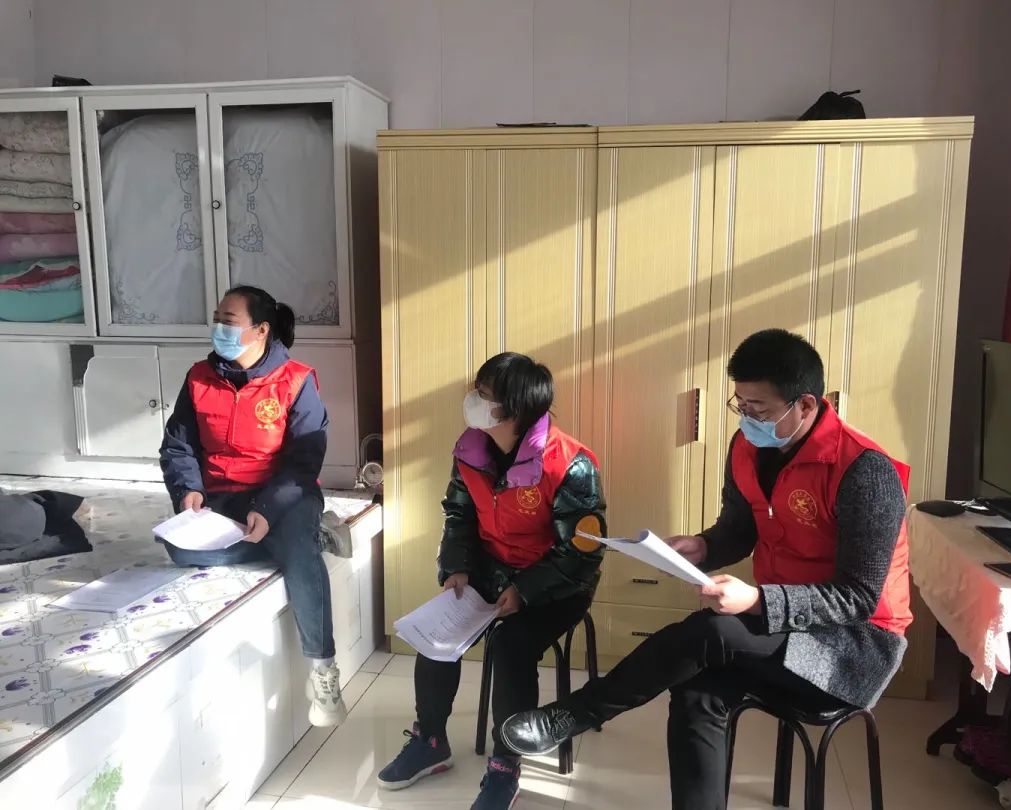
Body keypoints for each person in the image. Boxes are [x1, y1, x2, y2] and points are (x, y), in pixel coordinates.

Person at [500, 329, 911, 810]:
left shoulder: (865, 471)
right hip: (779, 629)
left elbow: (857, 597)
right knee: (696, 689)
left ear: (804, 404)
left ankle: (573, 715)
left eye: (760, 408)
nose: (748, 417)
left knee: (710, 632)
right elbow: (739, 529)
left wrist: (756, 600)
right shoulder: (748, 448)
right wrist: (702, 547)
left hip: (853, 646)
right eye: (741, 404)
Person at [377, 352, 606, 810]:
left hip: (558, 585)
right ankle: (431, 740)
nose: (474, 401)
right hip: (490, 570)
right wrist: (456, 567)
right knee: (436, 631)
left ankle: (505, 765)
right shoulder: (472, 450)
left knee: (511, 645)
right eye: (477, 391)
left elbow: (582, 553)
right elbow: (458, 515)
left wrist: (525, 591)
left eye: (484, 395)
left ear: (515, 409)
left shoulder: (570, 464)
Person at [158, 285, 346, 727]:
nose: (218, 329)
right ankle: (289, 540)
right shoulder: (199, 377)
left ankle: (323, 667)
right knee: (179, 549)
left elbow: (304, 461)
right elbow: (177, 446)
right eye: (217, 319)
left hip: (285, 493)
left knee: (299, 554)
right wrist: (189, 491)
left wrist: (268, 509)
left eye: (229, 321)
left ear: (261, 330)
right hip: (222, 496)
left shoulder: (296, 380)